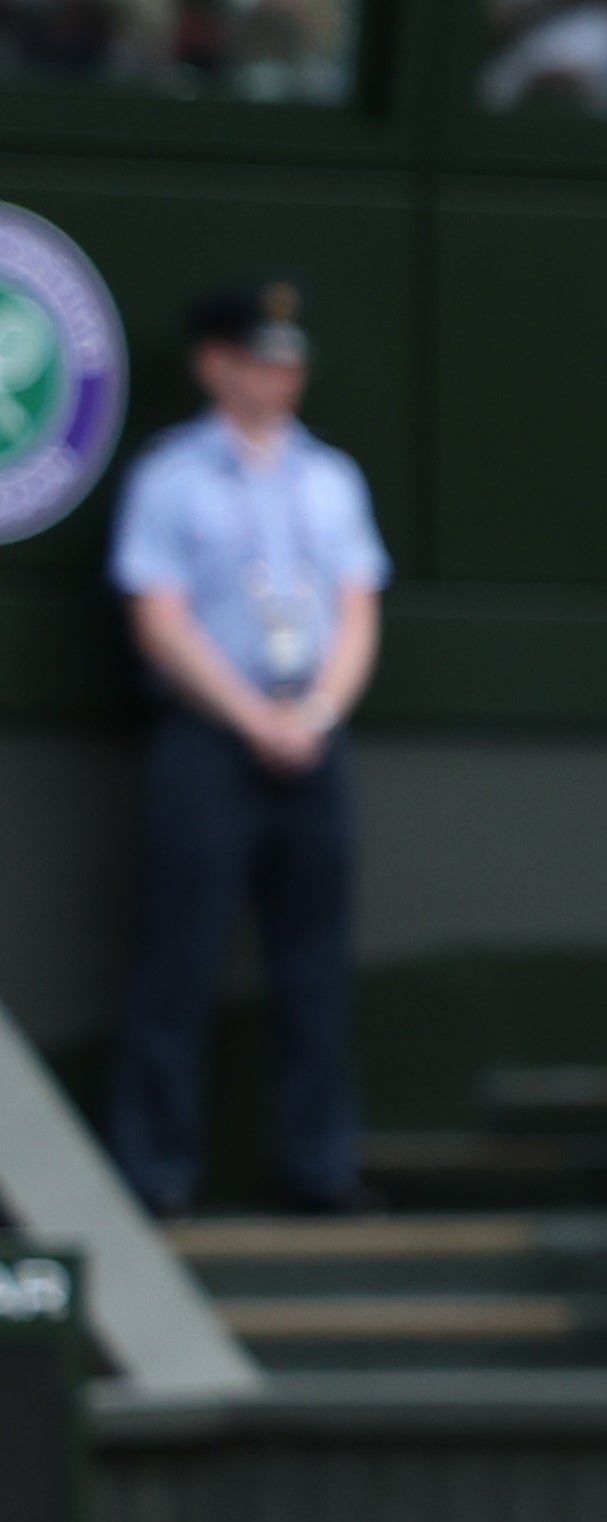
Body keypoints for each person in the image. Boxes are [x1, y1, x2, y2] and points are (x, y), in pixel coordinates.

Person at [104, 274, 386, 1213]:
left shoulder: (332, 477)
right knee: (178, 955)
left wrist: (315, 714)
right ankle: (155, 1173)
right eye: (261, 360)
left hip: (312, 738)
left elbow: (355, 613)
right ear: (214, 366)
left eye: (290, 361)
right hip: (208, 736)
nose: (280, 377)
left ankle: (320, 1165)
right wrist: (249, 716)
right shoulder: (169, 476)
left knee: (314, 959)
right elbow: (161, 620)